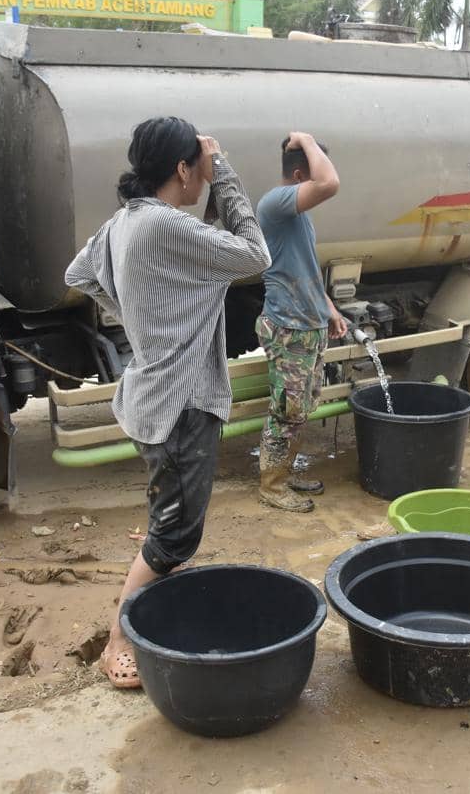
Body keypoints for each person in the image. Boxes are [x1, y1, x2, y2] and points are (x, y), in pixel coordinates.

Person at [64, 117, 271, 688]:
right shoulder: (165, 226)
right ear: (183, 169)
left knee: (170, 514)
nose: (204, 173)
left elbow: (78, 272)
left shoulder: (126, 223)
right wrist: (224, 170)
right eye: (200, 165)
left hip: (148, 396)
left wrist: (143, 315)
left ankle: (156, 556)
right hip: (180, 405)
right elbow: (256, 254)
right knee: (177, 537)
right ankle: (118, 640)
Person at [255, 132, 347, 512]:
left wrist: (329, 308)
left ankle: (285, 473)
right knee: (285, 410)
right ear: (297, 176)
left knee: (300, 407)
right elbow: (329, 183)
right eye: (308, 178)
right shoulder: (275, 203)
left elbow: (305, 267)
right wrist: (306, 139)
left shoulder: (297, 215)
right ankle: (271, 486)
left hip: (306, 324)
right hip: (288, 327)